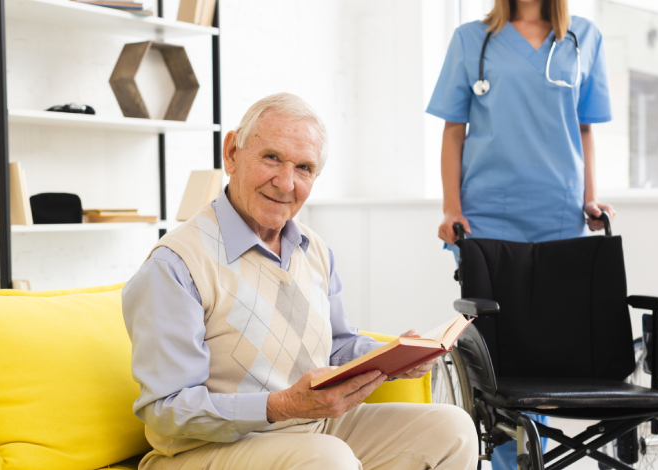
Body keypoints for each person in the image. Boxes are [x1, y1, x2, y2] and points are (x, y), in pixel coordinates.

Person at [122, 92, 478, 470]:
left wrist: (394, 360)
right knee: (329, 460)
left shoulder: (314, 249)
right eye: (272, 157)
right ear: (231, 153)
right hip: (203, 451)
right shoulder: (176, 264)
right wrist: (282, 406)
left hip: (311, 428)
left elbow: (337, 348)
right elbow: (166, 410)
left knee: (452, 428)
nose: (286, 182)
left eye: (304, 168)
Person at [426, 0, 616, 468]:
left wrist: (590, 199)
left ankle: (535, 454)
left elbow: (585, 129)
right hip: (487, 213)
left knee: (545, 343)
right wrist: (452, 207)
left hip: (559, 211)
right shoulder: (473, 38)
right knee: (499, 347)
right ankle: (513, 458)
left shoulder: (584, 37)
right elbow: (455, 130)